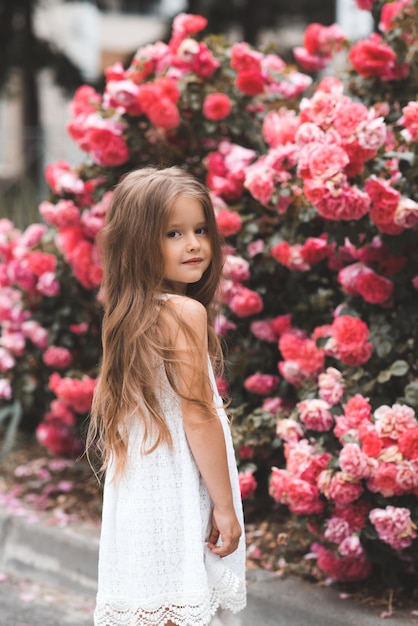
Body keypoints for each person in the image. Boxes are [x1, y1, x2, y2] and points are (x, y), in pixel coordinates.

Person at [88, 166, 247, 626]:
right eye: (173, 233)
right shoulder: (183, 312)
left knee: (158, 609)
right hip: (178, 485)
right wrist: (223, 505)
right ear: (139, 244)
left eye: (200, 230)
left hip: (142, 490)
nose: (194, 244)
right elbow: (197, 416)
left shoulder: (128, 315)